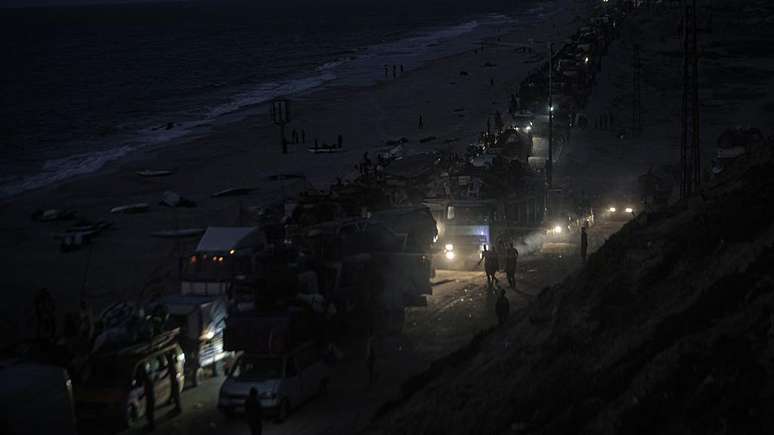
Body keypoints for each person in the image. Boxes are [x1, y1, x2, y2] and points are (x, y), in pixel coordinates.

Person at [140, 365, 155, 431]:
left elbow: (148, 390)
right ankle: (151, 425)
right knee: (149, 413)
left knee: (149, 413)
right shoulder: (148, 380)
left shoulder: (147, 381)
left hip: (150, 398)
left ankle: (151, 426)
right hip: (151, 398)